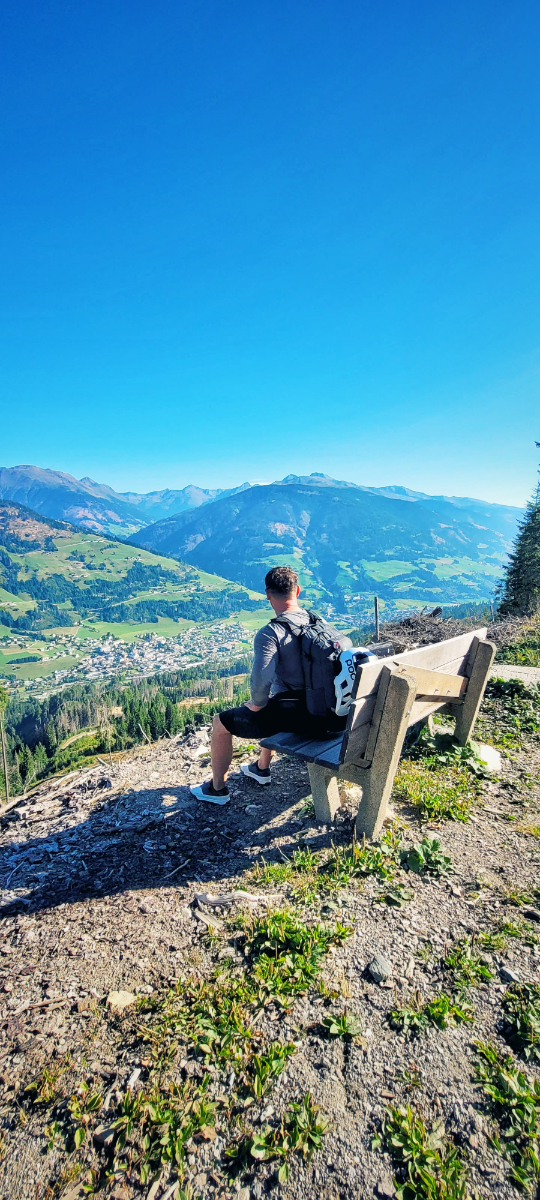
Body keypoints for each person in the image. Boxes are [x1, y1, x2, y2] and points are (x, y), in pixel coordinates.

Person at [190, 566, 347, 805]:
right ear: (298, 591)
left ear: (267, 594)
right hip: (332, 714)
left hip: (302, 719)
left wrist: (256, 703)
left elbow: (262, 679)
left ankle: (217, 789)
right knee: (277, 702)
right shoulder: (317, 621)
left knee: (221, 723)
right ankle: (261, 768)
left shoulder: (271, 632)